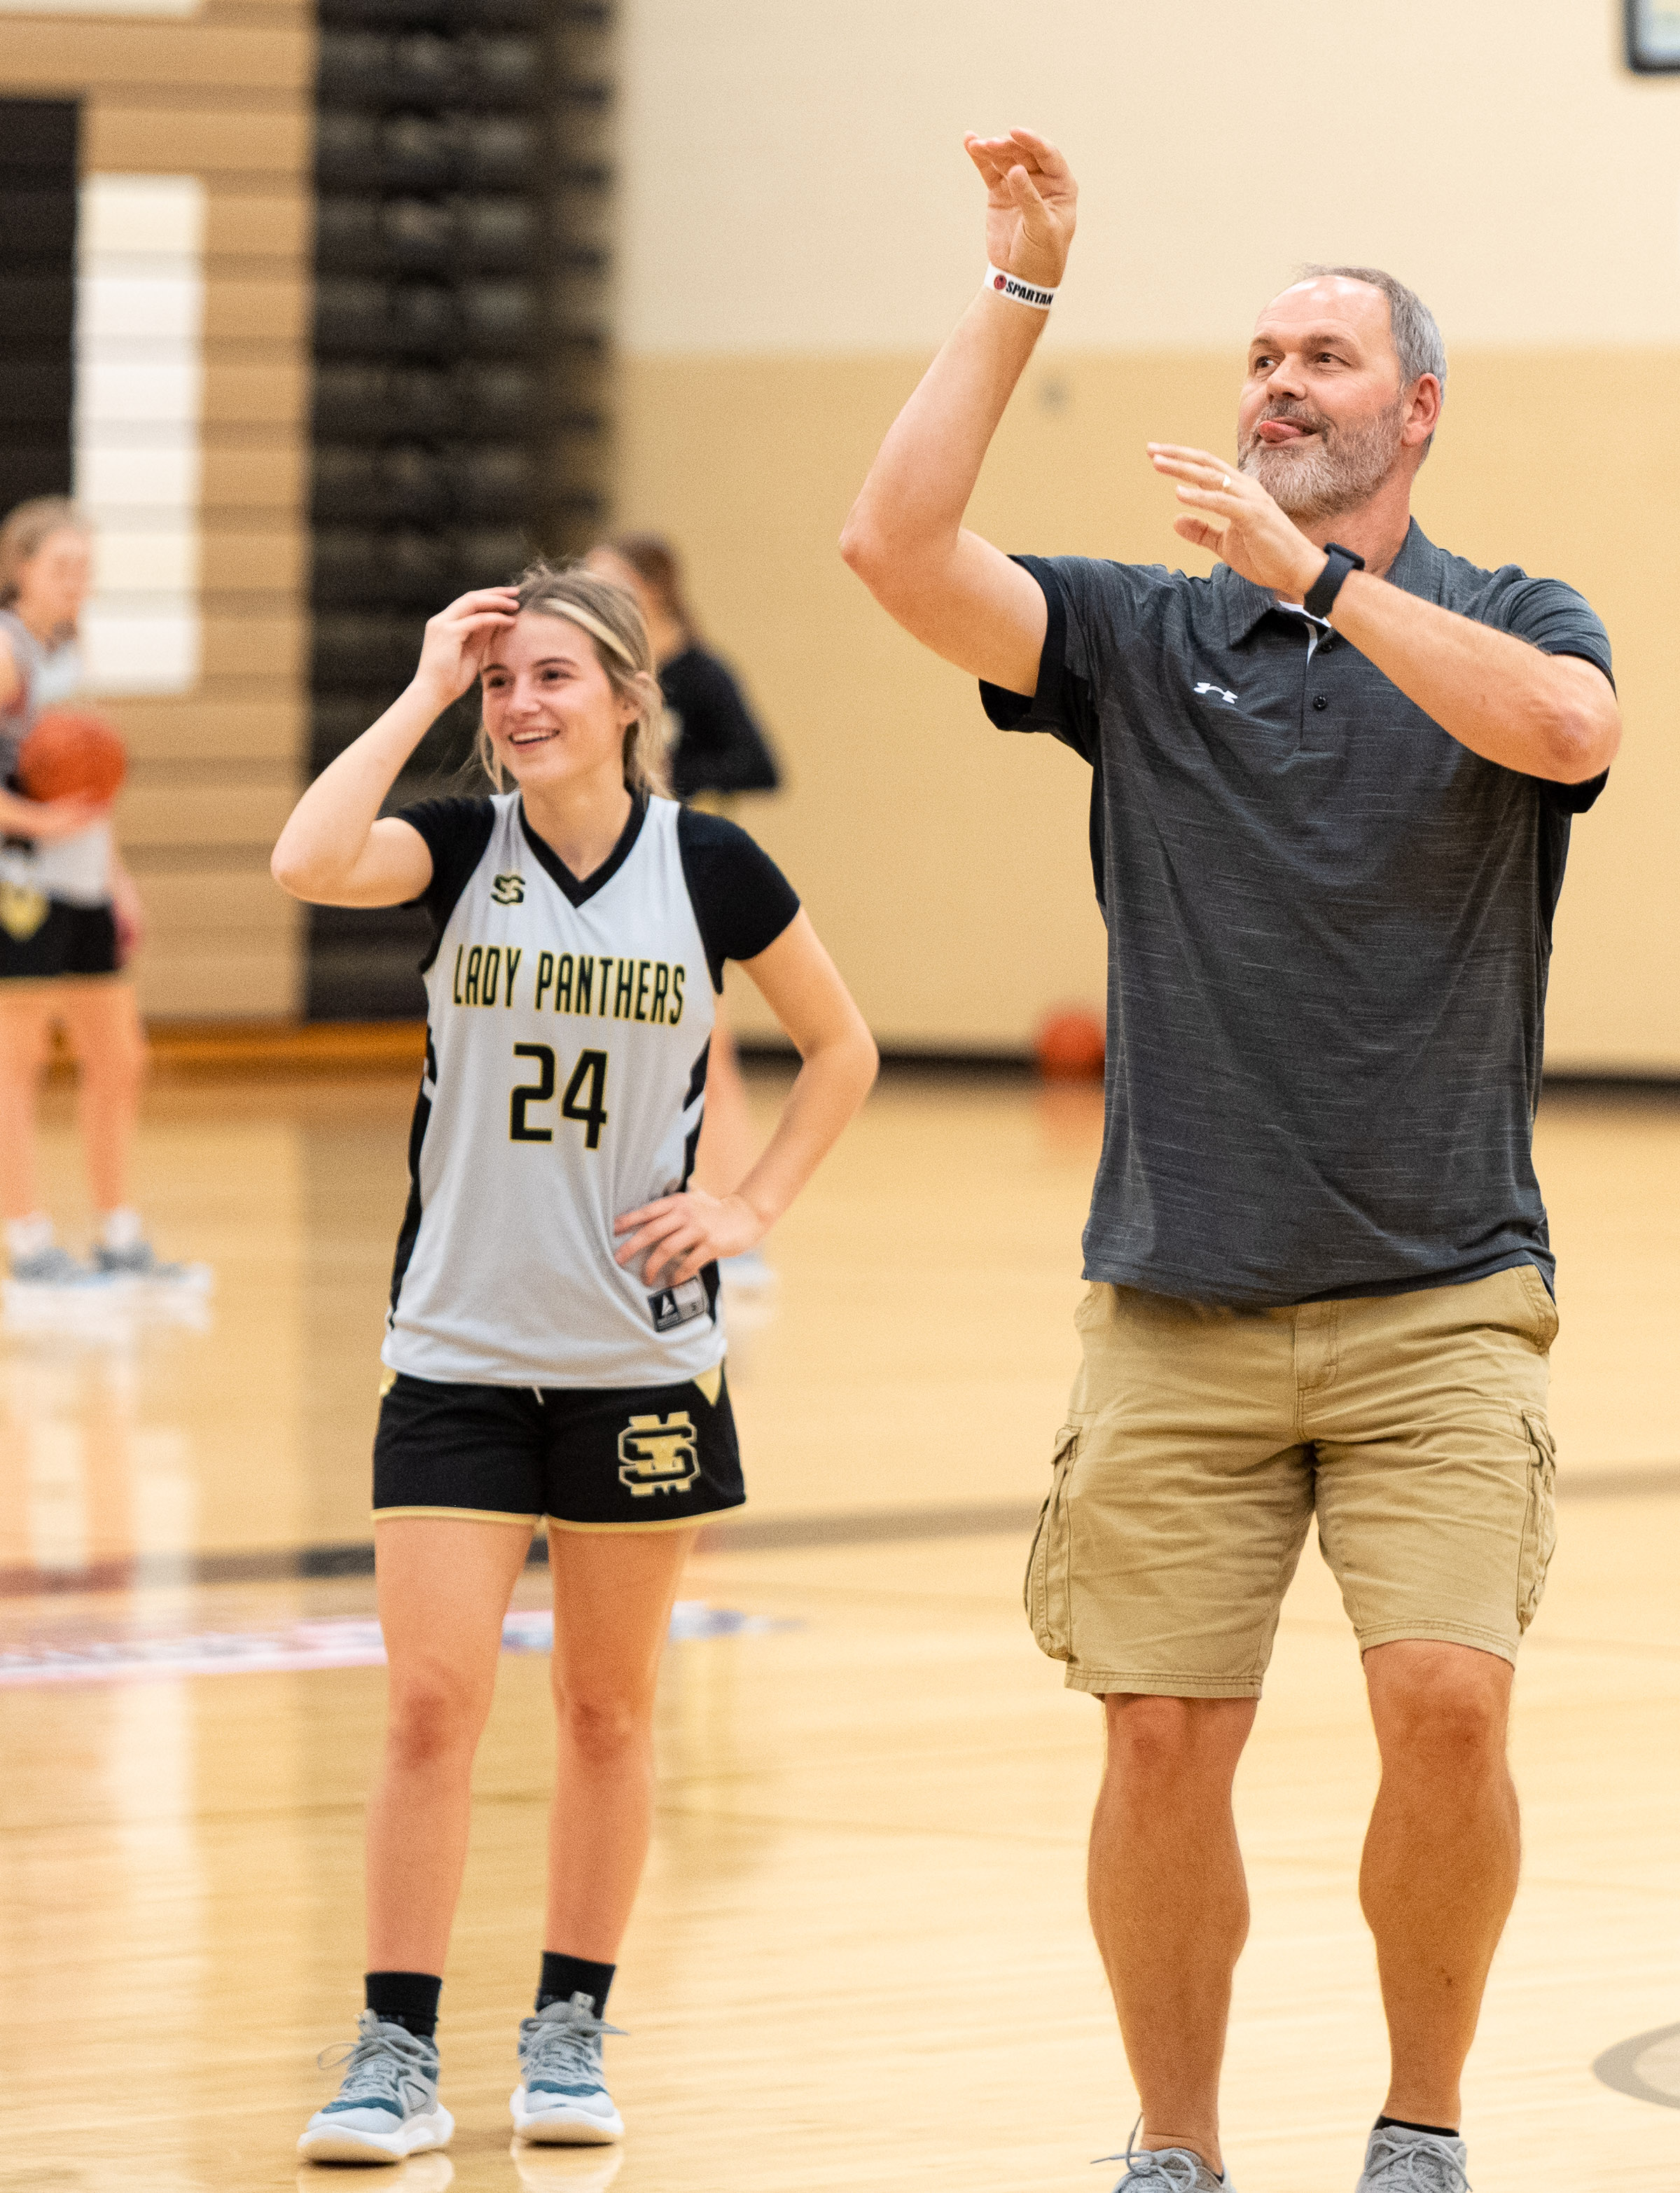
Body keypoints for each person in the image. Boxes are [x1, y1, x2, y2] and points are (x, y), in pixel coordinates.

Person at [840, 130, 1619, 2193]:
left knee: (1446, 1702)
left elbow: (1567, 734)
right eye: (1261, 357)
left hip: (1442, 1300)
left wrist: (1330, 590)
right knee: (1160, 1736)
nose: (1277, 384)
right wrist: (1019, 286)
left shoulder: (1510, 613)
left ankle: (1419, 2122)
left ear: (1415, 408)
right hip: (1177, 1299)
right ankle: (1174, 2144)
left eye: (1322, 358)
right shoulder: (1135, 636)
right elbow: (893, 550)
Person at [272, 565, 876, 2164]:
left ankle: (569, 2030)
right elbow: (307, 857)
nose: (521, 704)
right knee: (428, 1703)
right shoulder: (460, 848)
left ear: (624, 699)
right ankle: (395, 2050)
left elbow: (844, 1046)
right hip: (455, 1350)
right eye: (502, 683)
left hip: (637, 1359)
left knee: (607, 1710)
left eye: (552, 676)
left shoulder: (709, 866)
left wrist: (749, 1204)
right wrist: (421, 684)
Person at [584, 533, 786, 1285]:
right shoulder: (597, 671)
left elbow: (762, 765)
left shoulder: (700, 674)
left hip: (678, 874)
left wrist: (676, 770)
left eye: (606, 579)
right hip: (607, 868)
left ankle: (739, 1229)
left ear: (654, 589)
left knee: (710, 1057)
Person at [0, 497, 191, 1287]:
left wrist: (118, 881)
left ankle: (116, 1233)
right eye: (62, 565)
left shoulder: (70, 649)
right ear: (21, 568)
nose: (77, 579)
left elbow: (92, 791)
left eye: (85, 566)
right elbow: (46, 803)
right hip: (19, 884)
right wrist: (39, 822)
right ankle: (27, 1239)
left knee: (118, 1055)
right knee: (16, 1061)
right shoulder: (6, 649)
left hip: (82, 882)